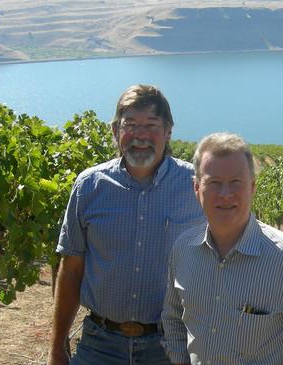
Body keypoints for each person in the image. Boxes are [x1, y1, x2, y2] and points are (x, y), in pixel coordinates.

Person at [48, 84, 204, 365]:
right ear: (115, 131)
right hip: (99, 345)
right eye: (130, 125)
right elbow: (71, 270)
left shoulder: (195, 187)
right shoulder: (89, 187)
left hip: (171, 346)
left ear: (168, 131)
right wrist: (57, 347)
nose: (140, 135)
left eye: (151, 125)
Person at [161, 132, 283, 365]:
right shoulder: (183, 249)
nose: (225, 194)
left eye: (236, 182)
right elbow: (173, 317)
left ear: (253, 187)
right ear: (197, 188)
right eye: (213, 183)